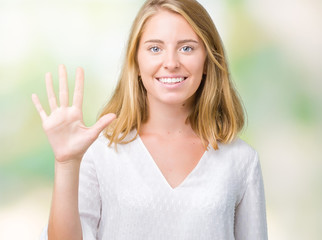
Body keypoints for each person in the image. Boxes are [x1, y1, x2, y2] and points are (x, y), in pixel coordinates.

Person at [32, 0, 268, 239]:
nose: (171, 63)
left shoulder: (241, 161)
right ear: (135, 62)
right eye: (155, 48)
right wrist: (66, 163)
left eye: (187, 48)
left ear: (207, 59)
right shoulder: (100, 152)